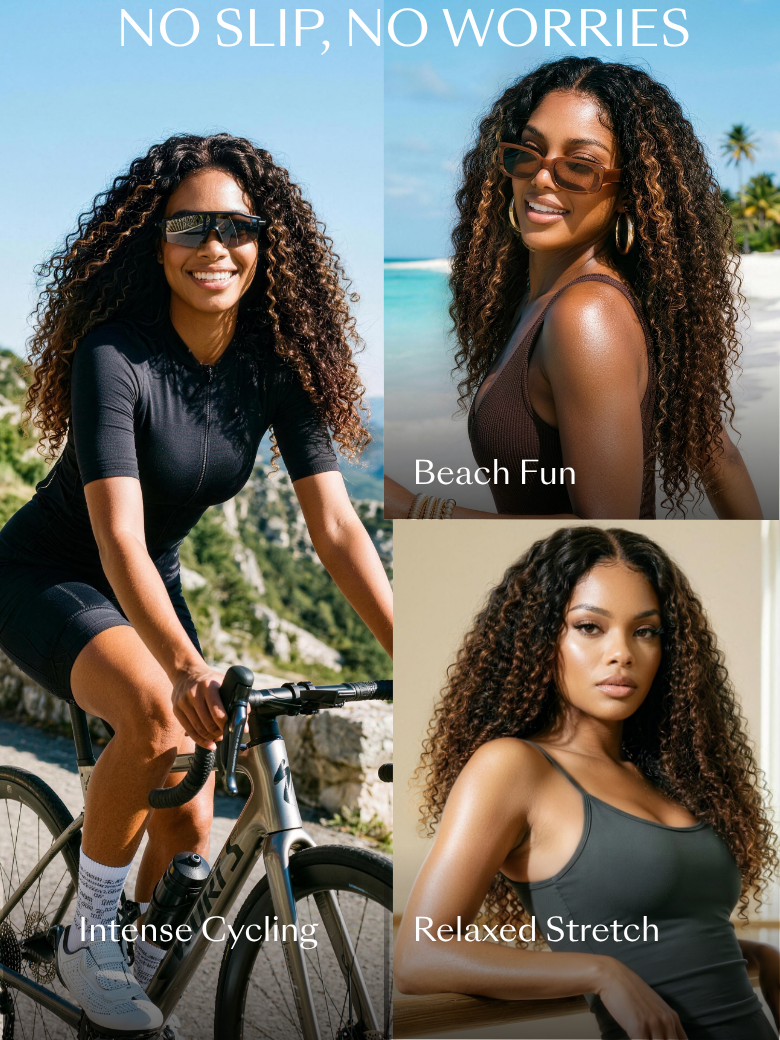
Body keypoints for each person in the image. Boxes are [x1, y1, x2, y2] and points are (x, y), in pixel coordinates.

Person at [0, 133, 393, 1036]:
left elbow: (337, 530)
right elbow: (118, 538)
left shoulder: (274, 362)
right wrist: (182, 670)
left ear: (265, 242)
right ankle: (88, 934)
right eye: (190, 227)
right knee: (157, 711)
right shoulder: (114, 354)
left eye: (237, 227)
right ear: (155, 242)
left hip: (151, 579)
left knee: (186, 819)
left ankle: (136, 973)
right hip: (49, 574)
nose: (216, 246)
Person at [395, 527, 779, 1040]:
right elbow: (419, 955)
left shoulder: (668, 776)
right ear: (541, 637)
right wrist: (601, 973)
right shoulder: (512, 768)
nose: (622, 653)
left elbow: (675, 935)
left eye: (646, 631)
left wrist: (761, 955)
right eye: (590, 627)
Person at [385, 57, 764, 520]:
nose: (541, 177)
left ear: (628, 193)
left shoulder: (587, 314)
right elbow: (716, 453)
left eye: (580, 166)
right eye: (528, 152)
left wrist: (411, 509)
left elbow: (603, 532)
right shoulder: (545, 302)